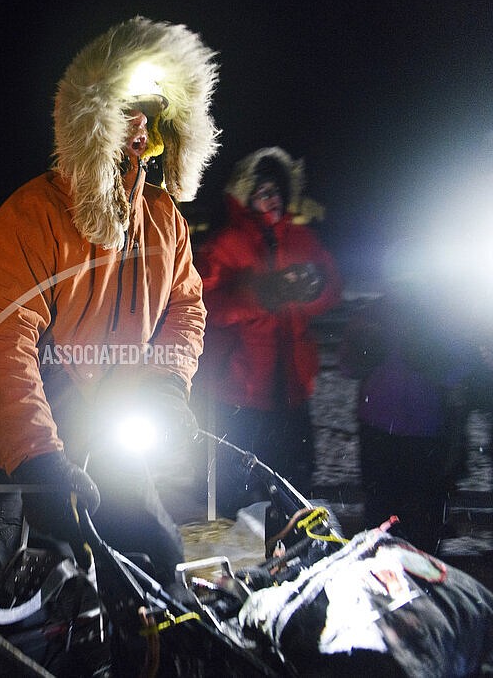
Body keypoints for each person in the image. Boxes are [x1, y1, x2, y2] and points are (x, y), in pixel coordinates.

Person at [0, 17, 219, 675]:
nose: (138, 128)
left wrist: (169, 383)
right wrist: (36, 458)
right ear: (93, 118)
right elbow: (1, 347)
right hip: (5, 432)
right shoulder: (31, 216)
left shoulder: (167, 221)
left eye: (151, 113)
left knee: (153, 552)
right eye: (123, 111)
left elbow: (185, 305)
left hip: (105, 432)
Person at [195, 147, 342, 517]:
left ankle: (292, 552)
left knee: (294, 483)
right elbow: (205, 303)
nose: (272, 198)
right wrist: (259, 294)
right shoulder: (226, 243)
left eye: (276, 190)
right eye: (262, 191)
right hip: (239, 389)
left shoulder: (302, 240)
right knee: (235, 488)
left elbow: (332, 290)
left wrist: (313, 287)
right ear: (245, 197)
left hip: (292, 387)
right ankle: (236, 557)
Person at [340, 280, 474, 553]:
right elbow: (347, 366)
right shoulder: (371, 315)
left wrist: (436, 361)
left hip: (426, 434)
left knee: (423, 517)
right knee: (379, 515)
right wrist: (364, 349)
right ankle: (377, 576)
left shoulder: (443, 315)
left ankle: (423, 576)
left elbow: (463, 366)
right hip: (379, 431)